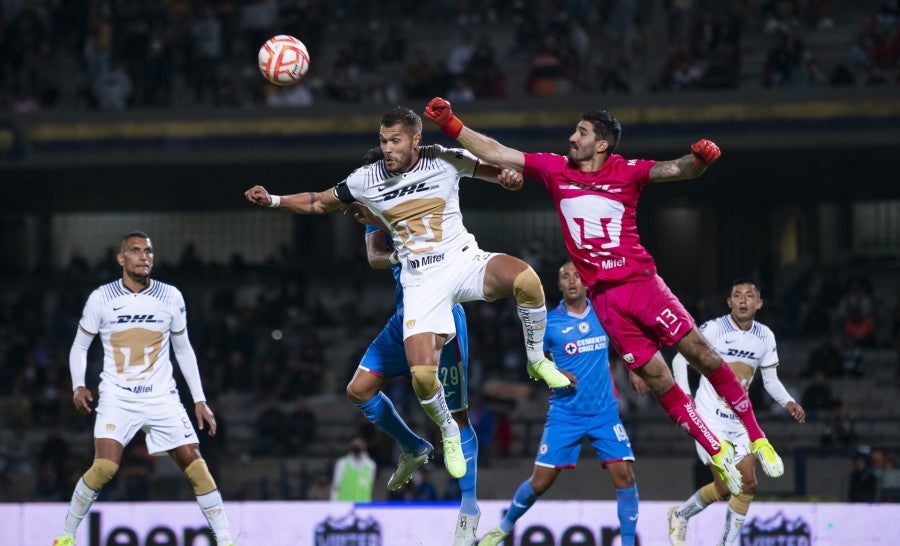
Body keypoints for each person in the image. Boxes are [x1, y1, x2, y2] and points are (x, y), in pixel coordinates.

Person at [423, 97, 783, 498]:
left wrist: (699, 161)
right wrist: (452, 124)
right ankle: (715, 450)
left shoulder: (627, 172)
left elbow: (675, 170)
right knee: (660, 381)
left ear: (602, 145)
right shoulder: (555, 169)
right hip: (608, 305)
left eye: (581, 133)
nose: (571, 138)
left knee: (702, 353)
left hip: (643, 286)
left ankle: (756, 437)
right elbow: (496, 151)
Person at [244, 106, 571, 484]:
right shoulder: (366, 181)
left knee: (527, 279)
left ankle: (535, 359)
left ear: (416, 140)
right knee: (420, 377)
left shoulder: (445, 159)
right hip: (421, 282)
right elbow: (320, 201)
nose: (387, 148)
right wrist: (273, 200)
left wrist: (510, 179)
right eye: (383, 141)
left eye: (395, 140)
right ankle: (445, 431)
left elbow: (499, 173)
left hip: (461, 259)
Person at [53, 231, 234, 546]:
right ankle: (65, 537)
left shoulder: (171, 296)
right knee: (105, 467)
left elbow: (184, 349)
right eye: (135, 251)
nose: (143, 256)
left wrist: (199, 400)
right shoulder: (101, 298)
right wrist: (78, 385)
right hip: (117, 397)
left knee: (196, 464)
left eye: (148, 251)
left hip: (161, 397)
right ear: (121, 259)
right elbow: (80, 347)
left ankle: (226, 540)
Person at [478, 261, 642, 546]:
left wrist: (633, 368)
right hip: (566, 413)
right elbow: (533, 365)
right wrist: (552, 371)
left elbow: (625, 341)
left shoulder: (604, 314)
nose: (572, 280)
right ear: (559, 285)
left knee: (625, 478)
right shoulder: (550, 323)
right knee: (539, 483)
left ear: (587, 282)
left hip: (604, 413)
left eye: (577, 275)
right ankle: (502, 528)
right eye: (565, 276)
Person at [667, 278, 806, 546]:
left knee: (748, 485)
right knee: (728, 485)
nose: (743, 300)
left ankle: (706, 531)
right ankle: (683, 516)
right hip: (708, 418)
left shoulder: (765, 336)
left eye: (750, 295)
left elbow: (770, 380)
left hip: (739, 419)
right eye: (737, 295)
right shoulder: (714, 329)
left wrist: (788, 402)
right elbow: (679, 358)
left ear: (759, 303)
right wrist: (686, 397)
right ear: (729, 302)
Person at [330, 436, 377, 502]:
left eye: (359, 444)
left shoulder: (371, 465)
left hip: (363, 505)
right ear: (350, 446)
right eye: (355, 444)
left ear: (365, 446)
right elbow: (336, 486)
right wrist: (333, 504)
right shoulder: (342, 463)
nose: (357, 446)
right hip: (344, 504)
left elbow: (370, 487)